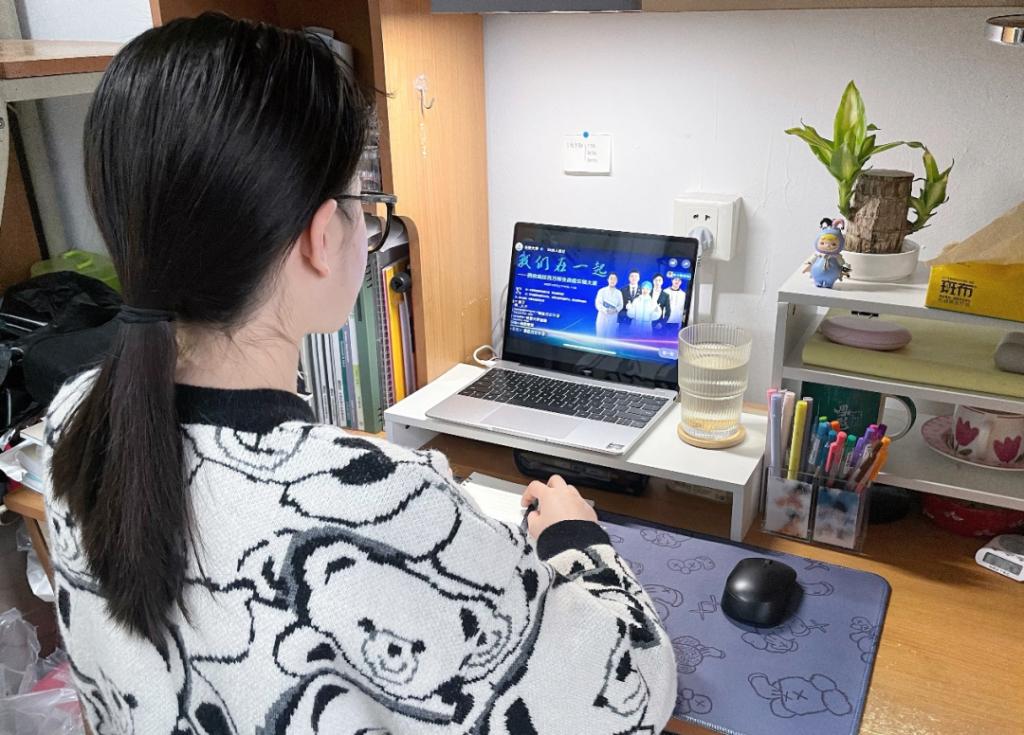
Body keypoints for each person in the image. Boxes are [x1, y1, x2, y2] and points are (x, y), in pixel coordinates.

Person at [42, 14, 677, 734]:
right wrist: (574, 541)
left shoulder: (76, 422)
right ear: (322, 237)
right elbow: (631, 691)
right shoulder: (380, 506)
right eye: (361, 207)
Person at [594, 272, 623, 338]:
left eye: (614, 279)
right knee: (600, 337)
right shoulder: (602, 291)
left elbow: (621, 305)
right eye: (611, 278)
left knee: (610, 338)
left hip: (613, 317)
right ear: (608, 280)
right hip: (602, 317)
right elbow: (598, 304)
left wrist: (615, 310)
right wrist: (606, 310)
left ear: (617, 281)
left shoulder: (619, 293)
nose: (612, 281)